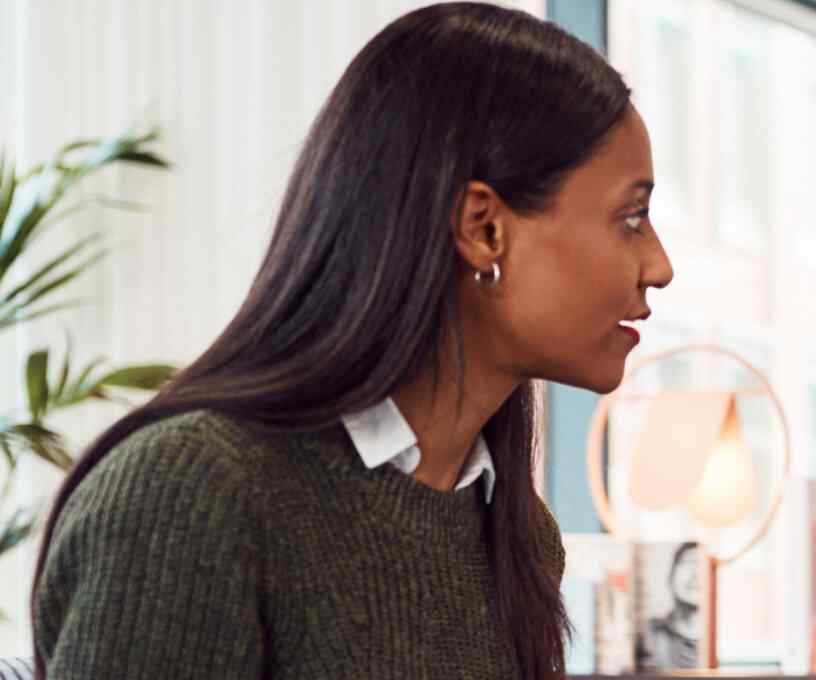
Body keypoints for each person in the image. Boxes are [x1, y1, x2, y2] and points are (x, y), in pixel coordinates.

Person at [31, 4, 673, 679]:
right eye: (631, 217)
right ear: (483, 228)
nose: (659, 265)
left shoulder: (517, 537)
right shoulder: (190, 495)